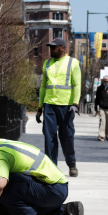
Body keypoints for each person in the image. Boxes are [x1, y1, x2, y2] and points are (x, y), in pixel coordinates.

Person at [35, 37, 81, 177]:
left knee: (66, 136)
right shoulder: (47, 64)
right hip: (49, 105)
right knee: (49, 137)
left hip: (66, 106)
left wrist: (75, 104)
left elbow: (77, 84)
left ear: (62, 48)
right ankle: (51, 167)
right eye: (50, 47)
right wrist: (40, 107)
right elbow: (43, 86)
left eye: (53, 47)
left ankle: (71, 164)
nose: (50, 49)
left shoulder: (72, 63)